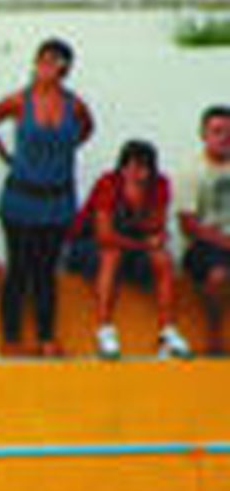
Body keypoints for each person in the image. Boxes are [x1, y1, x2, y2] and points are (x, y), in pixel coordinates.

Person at [0, 38, 94, 356]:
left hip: (57, 199)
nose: (47, 68)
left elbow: (87, 129)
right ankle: (11, 336)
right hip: (21, 197)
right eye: (43, 60)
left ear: (65, 68)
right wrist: (7, 156)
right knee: (19, 267)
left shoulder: (75, 105)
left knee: (46, 269)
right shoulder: (20, 101)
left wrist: (63, 151)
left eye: (55, 62)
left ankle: (46, 336)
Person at [67, 140, 190, 360]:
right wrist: (145, 243)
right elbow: (104, 235)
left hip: (131, 244)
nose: (136, 174)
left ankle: (167, 330)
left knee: (162, 258)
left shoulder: (159, 185)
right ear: (122, 168)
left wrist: (151, 233)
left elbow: (157, 226)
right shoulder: (108, 184)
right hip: (87, 245)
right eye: (130, 167)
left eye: (142, 168)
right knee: (112, 254)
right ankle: (105, 330)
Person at [179, 105, 230, 356]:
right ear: (204, 135)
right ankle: (215, 334)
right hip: (203, 245)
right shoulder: (191, 171)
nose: (224, 138)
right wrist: (225, 242)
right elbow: (188, 224)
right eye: (217, 131)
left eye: (228, 132)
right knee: (217, 276)